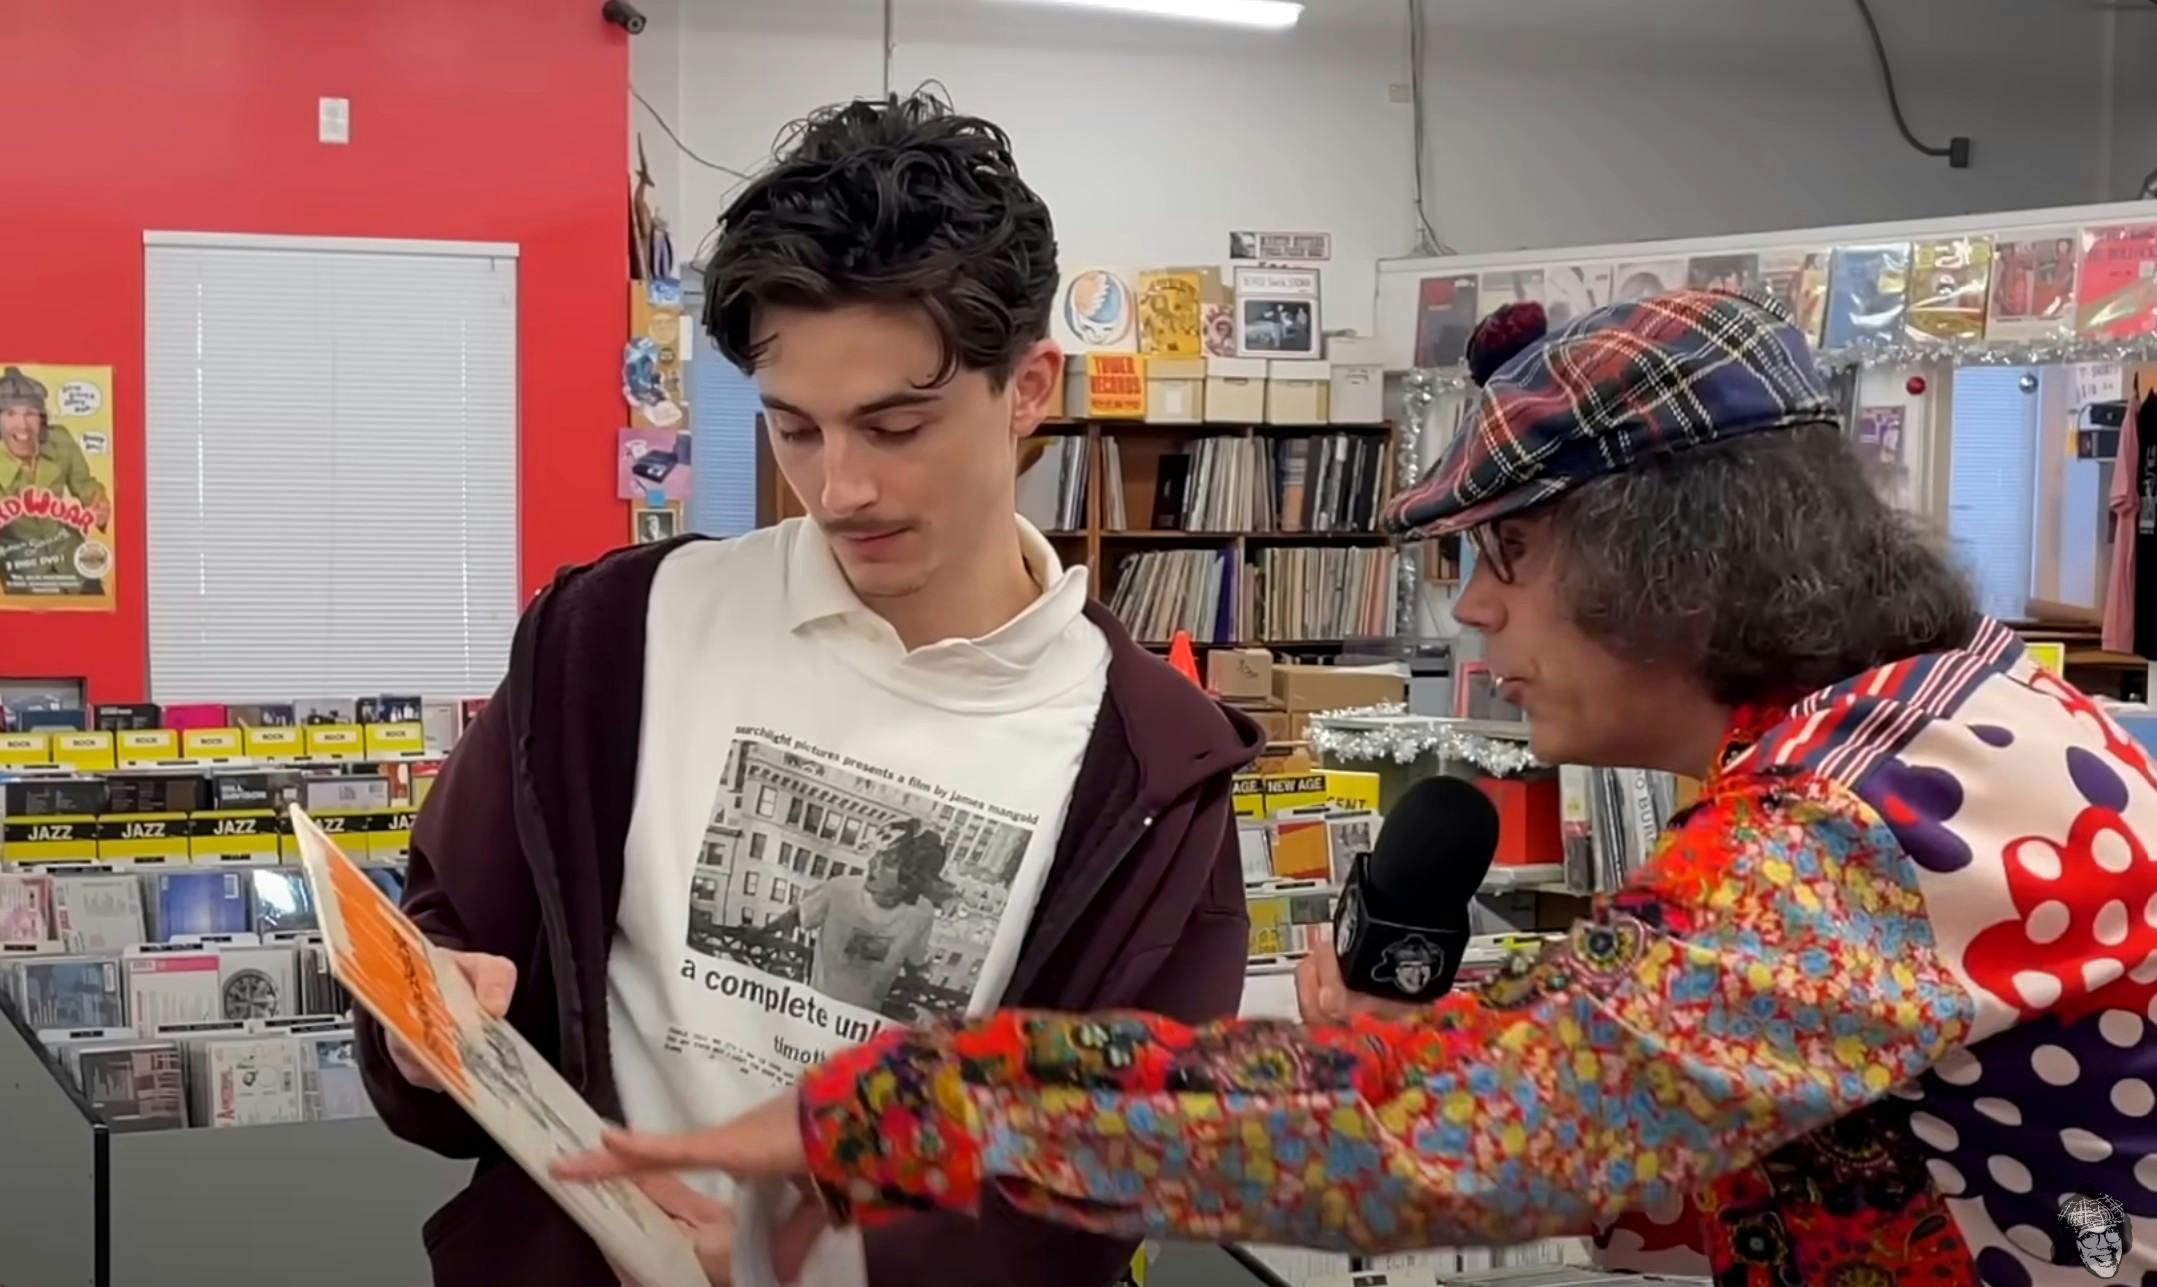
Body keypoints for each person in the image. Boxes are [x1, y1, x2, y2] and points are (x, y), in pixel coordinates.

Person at [561, 291, 2157, 1287]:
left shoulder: (1873, 824)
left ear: (1681, 561)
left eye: (1508, 556)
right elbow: (1620, 1106)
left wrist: (908, 1100)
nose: (1471, 612)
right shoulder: (1918, 741)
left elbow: (1436, 1143)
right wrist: (1455, 1063)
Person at [358, 89, 1262, 1287]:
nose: (839, 490)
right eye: (796, 429)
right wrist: (429, 1027)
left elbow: (1108, 1173)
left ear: (1031, 389)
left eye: (897, 427)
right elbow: (450, 931)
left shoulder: (1150, 770)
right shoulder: (613, 633)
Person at [768, 821, 946, 1014]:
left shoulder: (922, 913)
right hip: (814, 1010)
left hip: (862, 1021)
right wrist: (763, 935)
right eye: (876, 855)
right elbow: (796, 916)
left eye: (887, 861)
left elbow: (914, 959)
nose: (872, 863)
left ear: (911, 878)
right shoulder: (840, 889)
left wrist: (919, 984)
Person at [0, 366, 111, 597]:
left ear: (42, 419)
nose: (22, 425)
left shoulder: (60, 441)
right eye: (10, 414)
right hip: (26, 574)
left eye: (30, 413)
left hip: (76, 563)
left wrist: (98, 501)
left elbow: (85, 484)